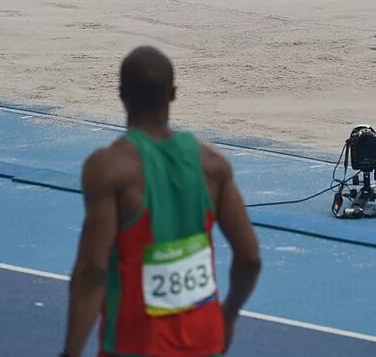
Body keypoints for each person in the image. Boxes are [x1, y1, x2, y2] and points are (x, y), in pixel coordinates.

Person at [60, 46, 261, 357]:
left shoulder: (110, 169)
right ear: (173, 94)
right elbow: (250, 258)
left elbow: (93, 269)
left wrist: (70, 352)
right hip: (205, 342)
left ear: (122, 94)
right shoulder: (213, 165)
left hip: (136, 345)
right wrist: (228, 316)